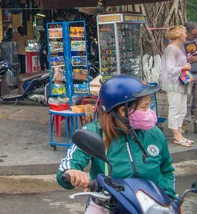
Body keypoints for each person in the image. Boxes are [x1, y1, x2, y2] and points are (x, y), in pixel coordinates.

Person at [57, 76, 176, 213]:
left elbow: (167, 170)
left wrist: (170, 200)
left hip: (151, 205)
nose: (149, 113)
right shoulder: (95, 132)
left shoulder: (154, 134)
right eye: (144, 107)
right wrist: (71, 173)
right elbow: (68, 165)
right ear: (122, 110)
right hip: (109, 204)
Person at [162, 25, 194, 146]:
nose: (186, 35)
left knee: (182, 109)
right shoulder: (171, 49)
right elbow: (170, 69)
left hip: (182, 83)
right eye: (184, 33)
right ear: (179, 35)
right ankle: (176, 135)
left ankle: (179, 134)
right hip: (173, 83)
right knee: (175, 108)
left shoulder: (179, 48)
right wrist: (184, 67)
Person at [182, 21, 197, 136]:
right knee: (186, 99)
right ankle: (184, 124)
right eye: (194, 34)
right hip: (186, 73)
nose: (196, 36)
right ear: (186, 32)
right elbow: (173, 58)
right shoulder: (179, 40)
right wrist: (188, 59)